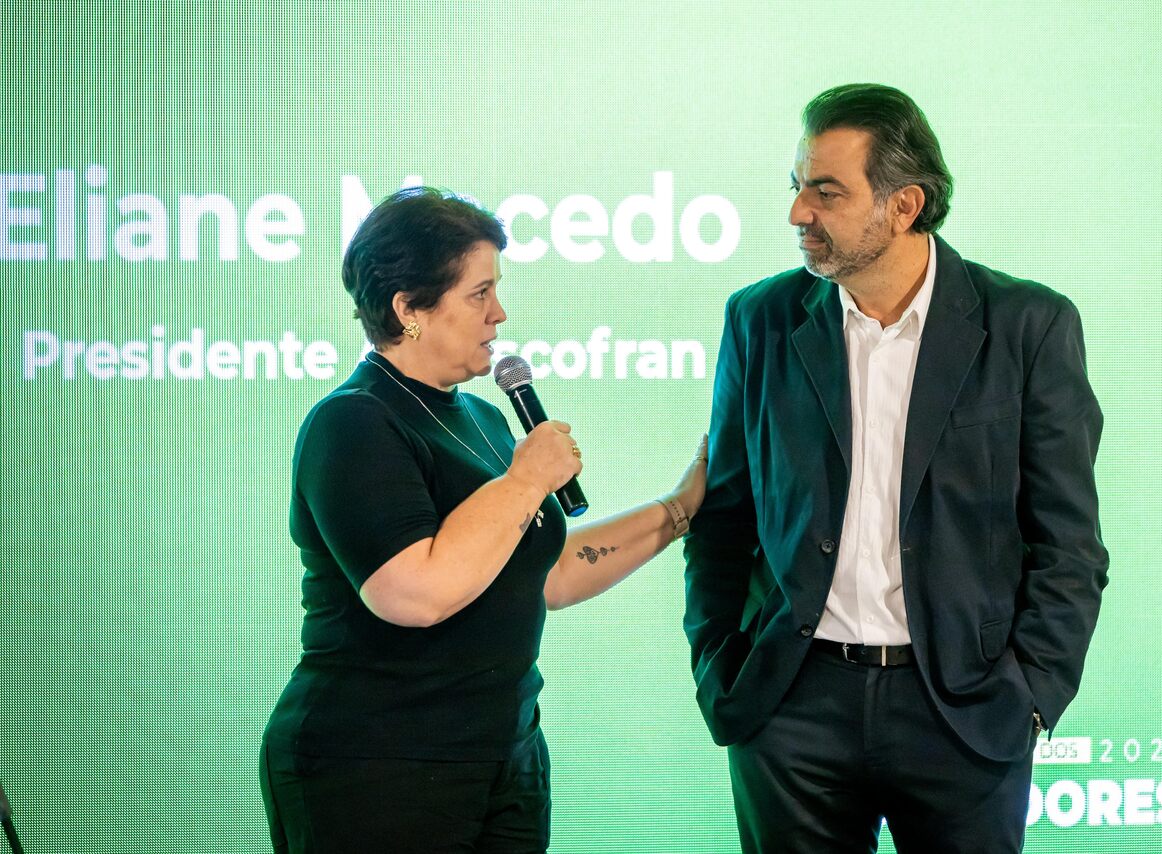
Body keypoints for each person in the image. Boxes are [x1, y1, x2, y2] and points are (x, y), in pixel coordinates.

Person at [683, 83, 1109, 853]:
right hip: (790, 708)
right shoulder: (760, 318)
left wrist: (1031, 695)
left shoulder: (1028, 325)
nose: (798, 213)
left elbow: (1068, 542)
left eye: (826, 192)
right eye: (797, 186)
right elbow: (725, 516)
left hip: (964, 710)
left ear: (904, 205)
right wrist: (720, 664)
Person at [260, 186, 706, 853]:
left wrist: (679, 509)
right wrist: (526, 480)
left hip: (504, 757)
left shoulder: (484, 418)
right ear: (408, 309)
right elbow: (415, 593)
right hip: (379, 764)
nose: (500, 313)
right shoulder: (354, 422)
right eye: (479, 294)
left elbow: (547, 574)